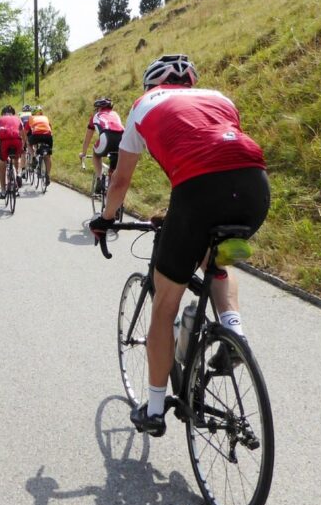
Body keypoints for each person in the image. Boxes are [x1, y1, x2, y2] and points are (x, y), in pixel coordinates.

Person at [89, 54, 270, 437]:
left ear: (151, 86)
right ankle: (234, 331)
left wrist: (106, 219)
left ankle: (154, 409)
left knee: (164, 304)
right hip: (254, 189)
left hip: (198, 192)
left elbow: (120, 182)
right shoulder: (221, 98)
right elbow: (217, 157)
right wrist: (177, 213)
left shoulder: (142, 107)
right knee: (217, 260)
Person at [79, 97, 124, 194]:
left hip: (106, 137)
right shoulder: (115, 114)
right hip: (122, 139)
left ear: (99, 108)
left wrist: (83, 153)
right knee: (115, 165)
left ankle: (100, 179)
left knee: (96, 154)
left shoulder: (95, 116)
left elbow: (87, 139)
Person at [0, 105, 24, 199]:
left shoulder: (0, 119)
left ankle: (3, 191)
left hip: (5, 142)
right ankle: (18, 174)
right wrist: (24, 144)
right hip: (17, 141)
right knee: (17, 159)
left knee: (2, 165)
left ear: (3, 113)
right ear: (13, 113)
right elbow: (23, 133)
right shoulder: (17, 118)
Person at [28, 104, 54, 181]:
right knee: (48, 156)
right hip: (48, 136)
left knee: (29, 144)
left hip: (36, 135)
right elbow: (50, 128)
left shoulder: (31, 118)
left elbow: (29, 130)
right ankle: (48, 175)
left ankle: (33, 157)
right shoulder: (46, 117)